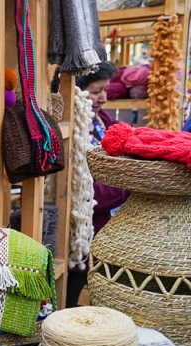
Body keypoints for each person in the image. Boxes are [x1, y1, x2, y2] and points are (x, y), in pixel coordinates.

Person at [65, 61, 130, 308]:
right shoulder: (73, 130)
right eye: (95, 92)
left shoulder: (105, 123)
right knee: (74, 289)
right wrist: (126, 185)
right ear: (76, 91)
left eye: (106, 89)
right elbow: (88, 193)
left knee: (107, 295)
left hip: (110, 230)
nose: (103, 97)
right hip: (83, 233)